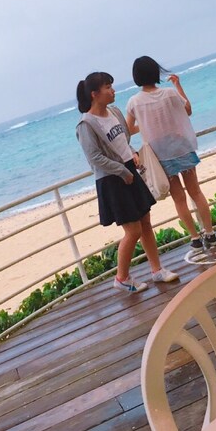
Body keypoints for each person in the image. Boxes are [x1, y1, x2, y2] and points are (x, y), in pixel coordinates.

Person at [76, 71, 179, 293]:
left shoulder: (114, 112)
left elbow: (122, 141)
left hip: (129, 170)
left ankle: (157, 270)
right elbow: (94, 158)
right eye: (107, 87)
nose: (113, 90)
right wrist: (122, 171)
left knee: (146, 222)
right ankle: (122, 277)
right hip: (112, 180)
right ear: (94, 94)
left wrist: (132, 153)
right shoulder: (86, 124)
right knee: (133, 230)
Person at [126, 56, 216, 250]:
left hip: (160, 154)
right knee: (196, 192)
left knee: (179, 198)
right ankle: (210, 234)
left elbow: (128, 129)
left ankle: (195, 238)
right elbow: (188, 110)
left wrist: (146, 125)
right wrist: (178, 85)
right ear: (155, 72)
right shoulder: (169, 93)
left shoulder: (134, 102)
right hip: (181, 146)